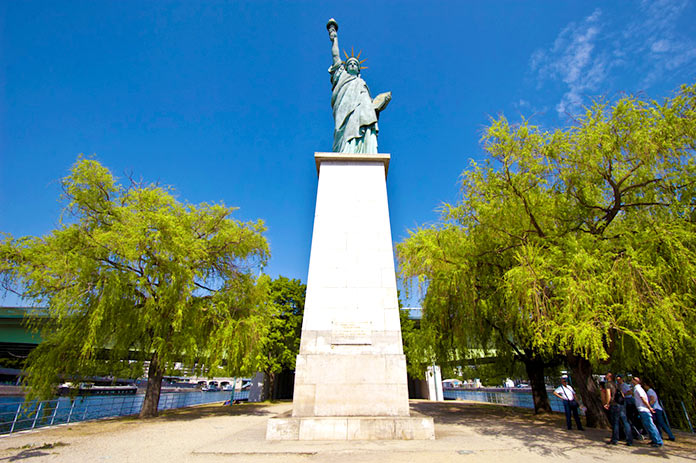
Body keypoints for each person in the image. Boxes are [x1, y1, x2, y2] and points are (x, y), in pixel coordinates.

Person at [326, 19, 391, 153]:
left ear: (359, 70)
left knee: (366, 125)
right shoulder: (342, 76)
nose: (353, 65)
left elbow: (370, 104)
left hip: (363, 111)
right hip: (345, 112)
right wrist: (334, 39)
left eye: (356, 64)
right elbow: (336, 56)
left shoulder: (362, 83)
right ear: (345, 67)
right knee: (344, 131)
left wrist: (378, 103)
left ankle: (365, 151)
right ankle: (346, 150)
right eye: (350, 63)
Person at [632, 377, 664, 447]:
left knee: (650, 425)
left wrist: (649, 407)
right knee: (647, 426)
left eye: (633, 379)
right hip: (642, 409)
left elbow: (643, 398)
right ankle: (654, 439)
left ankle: (658, 441)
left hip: (644, 409)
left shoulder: (638, 389)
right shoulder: (638, 389)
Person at [603, 372, 633, 446]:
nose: (605, 376)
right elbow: (622, 394)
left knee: (615, 422)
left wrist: (607, 403)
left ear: (609, 376)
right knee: (625, 421)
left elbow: (608, 394)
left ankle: (615, 439)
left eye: (607, 375)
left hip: (614, 404)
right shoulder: (616, 384)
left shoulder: (608, 384)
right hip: (621, 404)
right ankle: (629, 439)